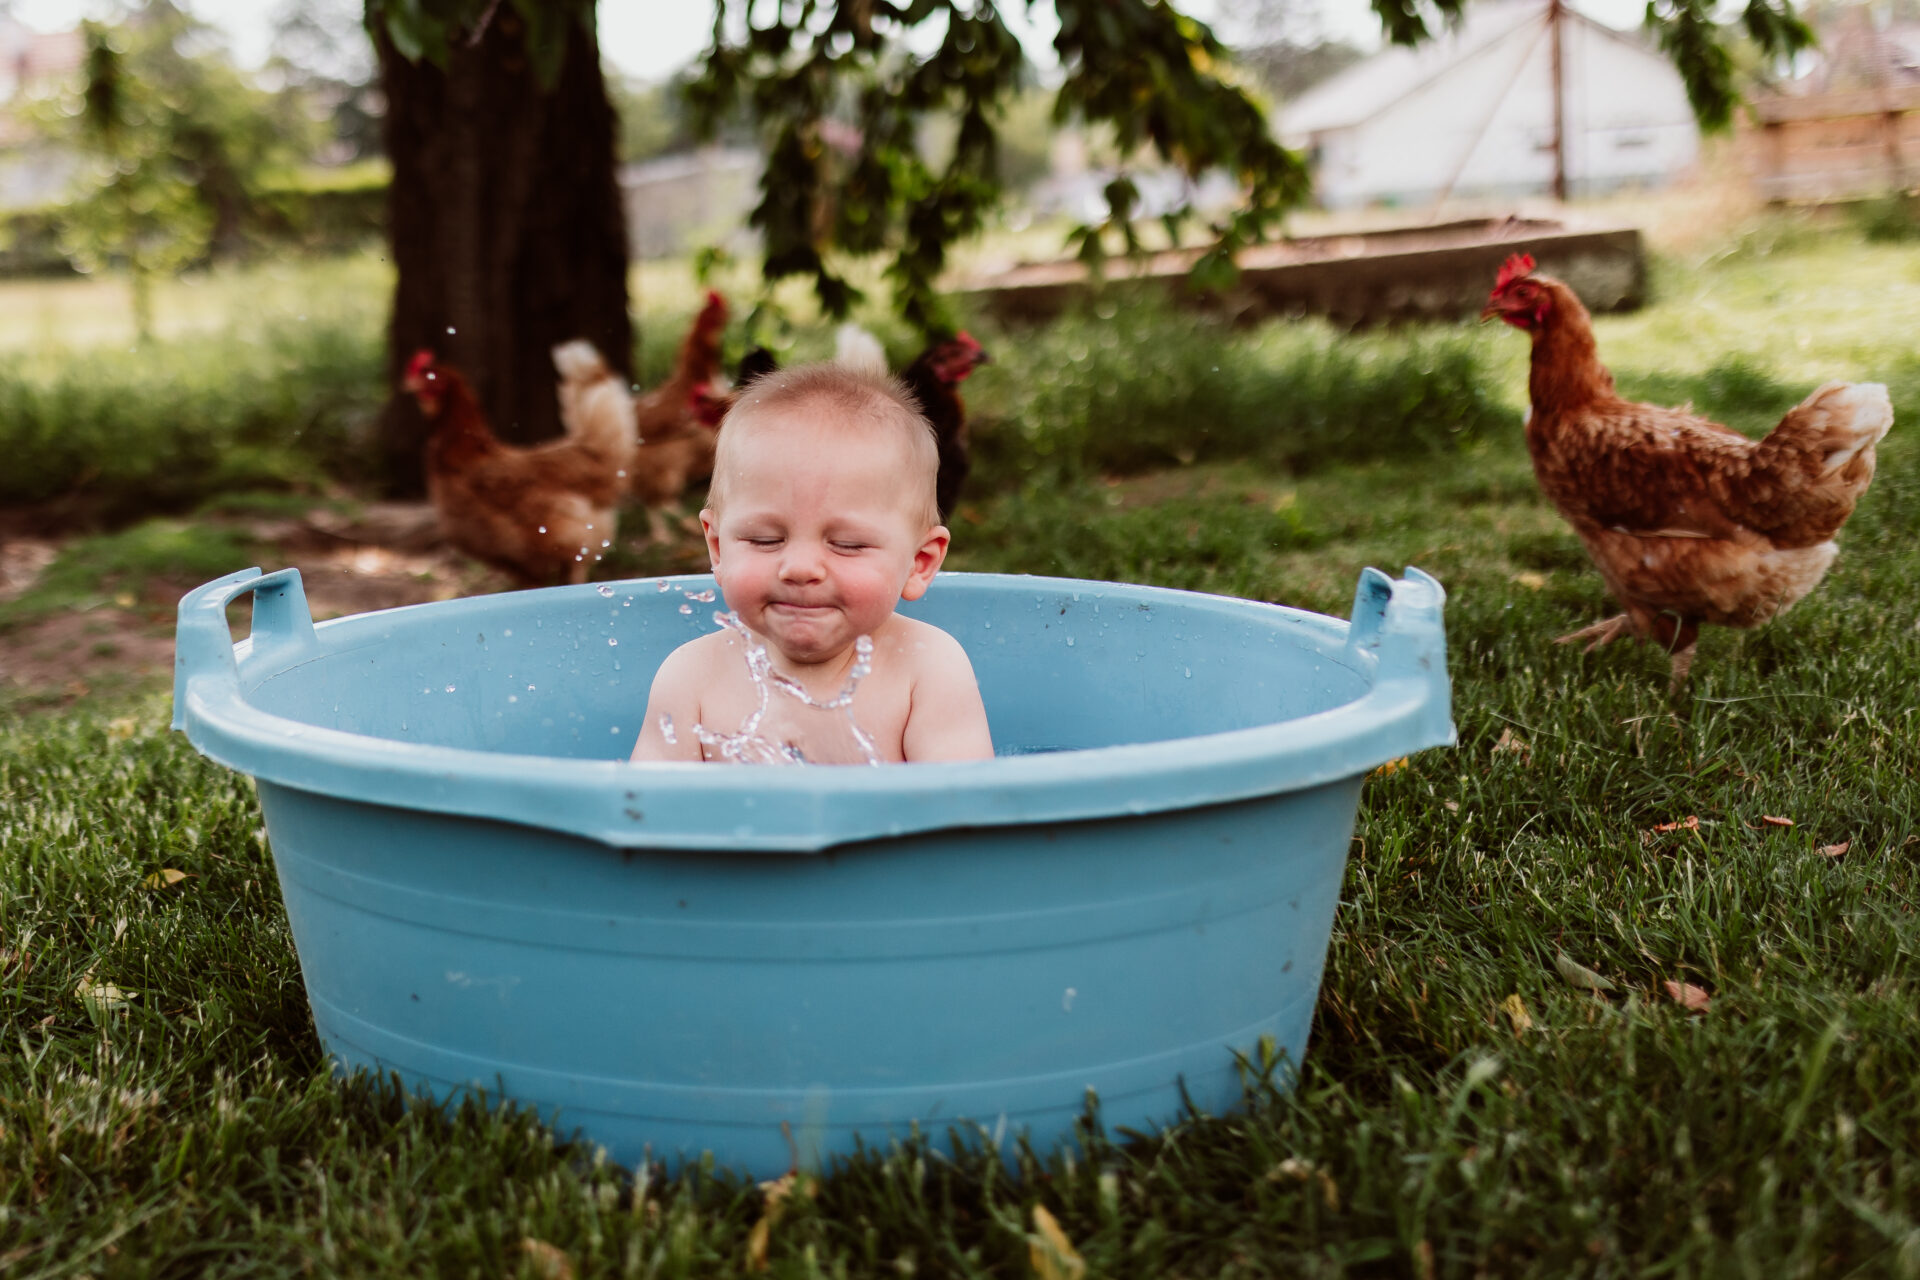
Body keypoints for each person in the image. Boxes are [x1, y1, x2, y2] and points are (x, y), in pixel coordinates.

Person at [630, 361, 994, 764]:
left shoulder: (927, 669)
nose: (800, 568)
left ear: (918, 563)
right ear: (718, 548)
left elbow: (963, 814)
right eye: (764, 540)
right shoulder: (690, 678)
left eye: (847, 544)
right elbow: (642, 816)